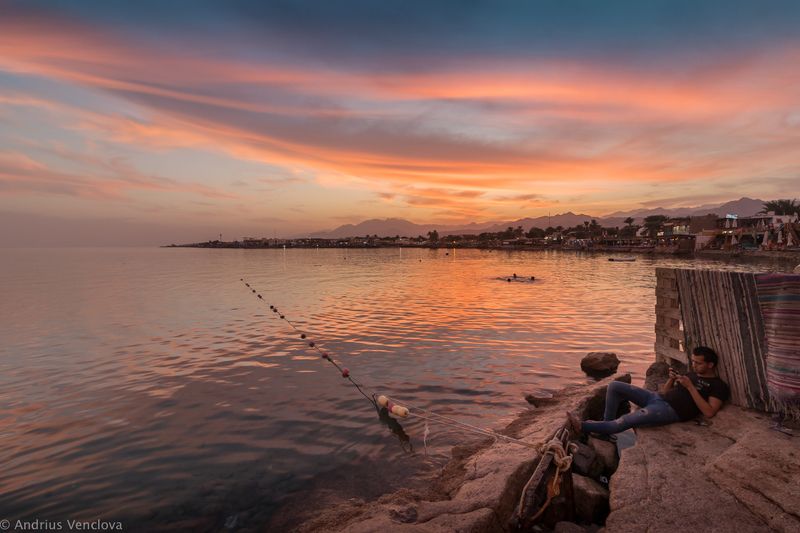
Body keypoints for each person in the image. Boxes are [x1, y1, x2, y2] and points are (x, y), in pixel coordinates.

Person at [568, 346, 730, 436]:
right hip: (657, 398)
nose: (694, 366)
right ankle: (606, 425)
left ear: (710, 365)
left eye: (698, 363)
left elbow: (709, 412)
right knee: (614, 386)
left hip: (668, 411)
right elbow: (666, 392)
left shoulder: (718, 386)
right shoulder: (692, 374)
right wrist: (672, 379)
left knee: (625, 421)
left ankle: (583, 426)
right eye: (693, 362)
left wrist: (690, 387)